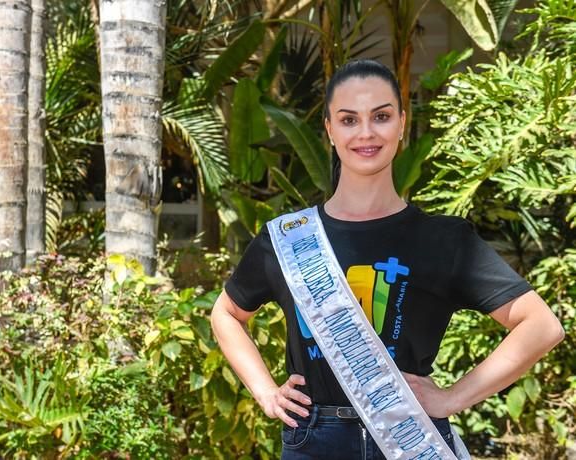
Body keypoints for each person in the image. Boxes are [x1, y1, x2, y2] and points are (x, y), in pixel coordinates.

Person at [210, 59, 565, 459]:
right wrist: (265, 392)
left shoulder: (441, 239)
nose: (365, 132)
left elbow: (541, 325)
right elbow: (226, 314)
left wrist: (452, 398)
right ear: (328, 129)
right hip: (314, 441)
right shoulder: (289, 238)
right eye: (348, 119)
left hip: (412, 438)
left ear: (401, 123)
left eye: (380, 116)